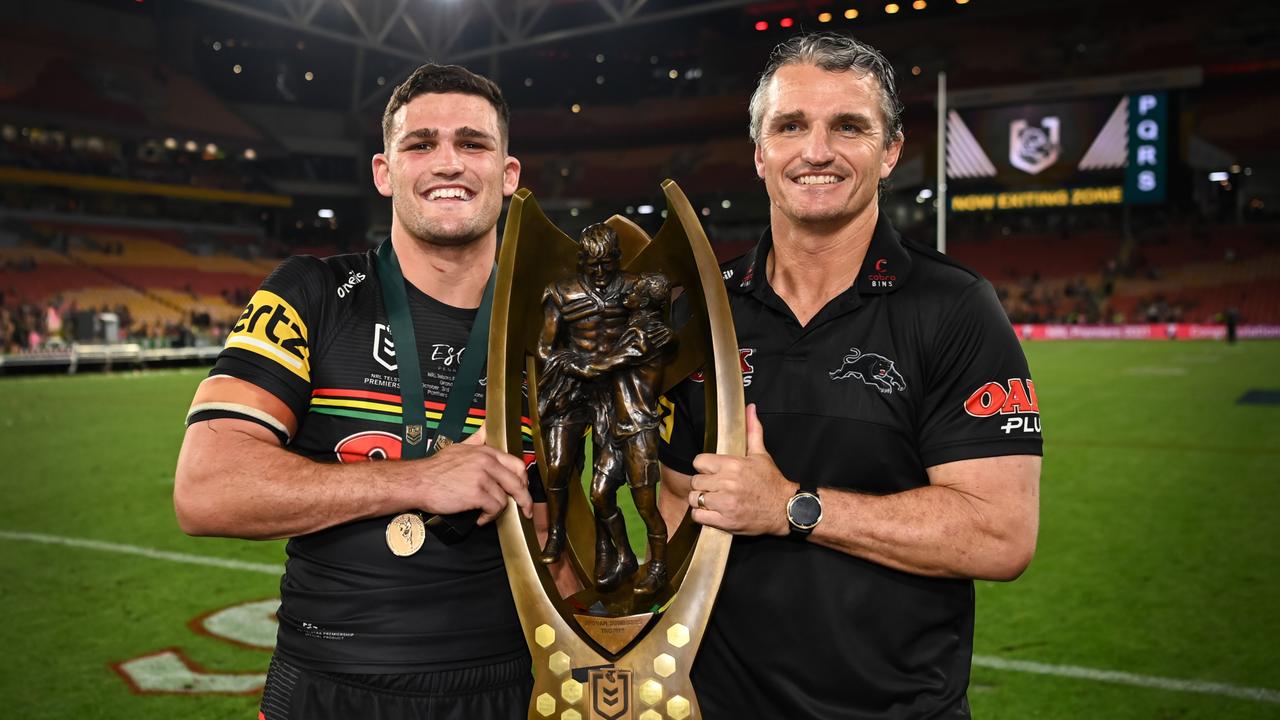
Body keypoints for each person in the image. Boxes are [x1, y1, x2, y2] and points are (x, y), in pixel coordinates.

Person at [658, 33, 1042, 718]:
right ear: (759, 152)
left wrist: (791, 507)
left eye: (849, 127)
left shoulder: (955, 307)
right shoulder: (701, 313)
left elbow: (1001, 533)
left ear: (890, 150)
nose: (816, 151)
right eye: (790, 126)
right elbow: (673, 500)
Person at [174, 64, 540, 720]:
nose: (447, 162)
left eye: (474, 144)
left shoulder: (554, 330)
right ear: (383, 170)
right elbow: (206, 489)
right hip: (326, 684)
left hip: (509, 685)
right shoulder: (309, 293)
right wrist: (421, 481)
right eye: (420, 143)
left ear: (509, 174)